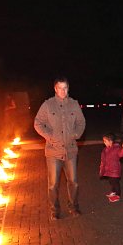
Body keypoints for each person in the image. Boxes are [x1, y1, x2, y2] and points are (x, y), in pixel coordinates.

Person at [33, 77, 86, 219]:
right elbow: (38, 123)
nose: (63, 91)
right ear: (55, 89)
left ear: (68, 88)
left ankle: (73, 206)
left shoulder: (74, 104)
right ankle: (54, 210)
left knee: (73, 182)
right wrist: (49, 136)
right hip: (53, 152)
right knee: (53, 184)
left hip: (71, 151)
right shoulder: (48, 105)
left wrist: (76, 134)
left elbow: (81, 122)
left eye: (65, 88)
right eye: (60, 88)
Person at [99, 132, 123, 202]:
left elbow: (121, 154)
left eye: (105, 141)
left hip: (115, 170)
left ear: (110, 141)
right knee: (111, 181)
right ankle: (113, 191)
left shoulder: (117, 148)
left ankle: (118, 195)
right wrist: (102, 170)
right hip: (108, 170)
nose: (104, 142)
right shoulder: (105, 150)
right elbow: (103, 160)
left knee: (115, 182)